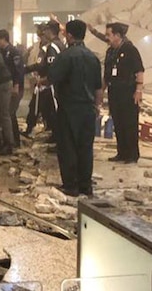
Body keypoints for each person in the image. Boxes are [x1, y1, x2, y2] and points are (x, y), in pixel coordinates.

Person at [47, 20, 103, 197]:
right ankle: (85, 185)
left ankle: (71, 186)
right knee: (85, 147)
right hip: (88, 109)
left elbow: (52, 77)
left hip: (69, 108)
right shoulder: (92, 57)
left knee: (67, 147)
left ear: (69, 35)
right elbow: (98, 87)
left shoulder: (65, 56)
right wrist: (97, 106)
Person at [103, 22, 144, 163]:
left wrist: (139, 89)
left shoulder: (130, 49)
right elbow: (106, 73)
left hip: (128, 91)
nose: (106, 37)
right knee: (118, 122)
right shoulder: (110, 52)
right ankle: (122, 152)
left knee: (129, 123)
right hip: (114, 91)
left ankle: (132, 154)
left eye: (109, 34)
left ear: (117, 35)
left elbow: (139, 70)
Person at [24, 20, 63, 141]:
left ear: (49, 31)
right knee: (48, 109)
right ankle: (53, 133)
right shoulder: (57, 45)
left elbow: (47, 67)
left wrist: (44, 80)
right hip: (49, 83)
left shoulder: (52, 47)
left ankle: (52, 135)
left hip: (48, 84)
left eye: (44, 31)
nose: (42, 33)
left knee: (40, 108)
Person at [0, 29, 25, 145]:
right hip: (6, 86)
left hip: (15, 87)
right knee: (8, 113)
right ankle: (12, 139)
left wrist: (16, 85)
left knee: (9, 113)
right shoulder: (1, 52)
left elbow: (18, 70)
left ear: (3, 39)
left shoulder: (13, 52)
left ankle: (14, 141)